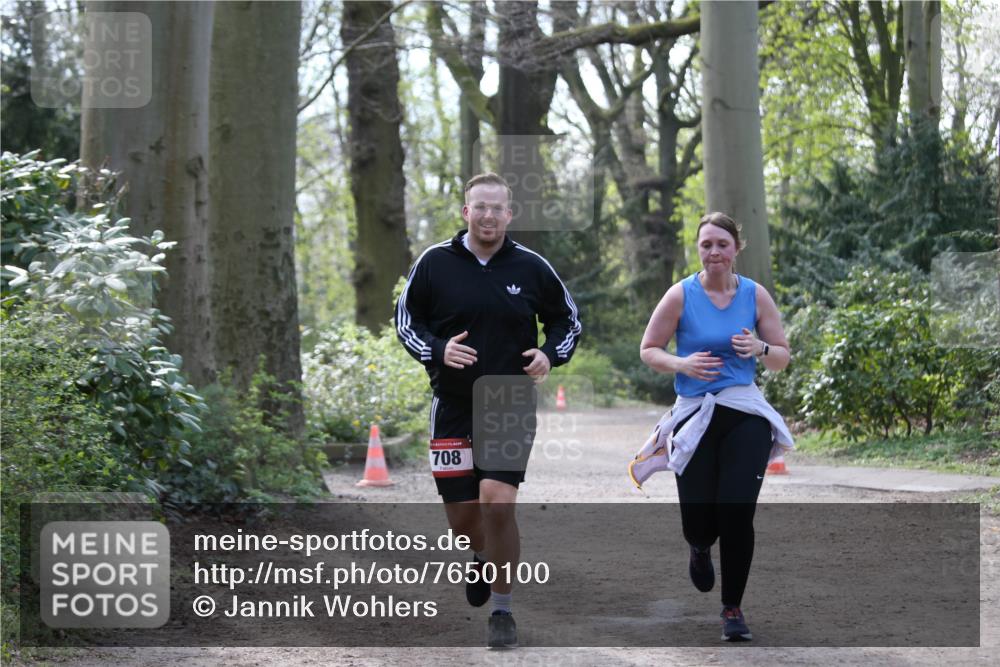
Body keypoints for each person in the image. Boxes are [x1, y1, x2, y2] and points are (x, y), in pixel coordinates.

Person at [395, 172, 582, 649]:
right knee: (462, 519)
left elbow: (568, 321)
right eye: (480, 206)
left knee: (499, 502)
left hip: (508, 400)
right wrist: (437, 350)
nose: (488, 215)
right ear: (466, 212)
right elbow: (406, 319)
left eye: (497, 208)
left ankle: (502, 609)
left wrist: (549, 354)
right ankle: (479, 554)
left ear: (509, 214)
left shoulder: (531, 266)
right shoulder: (435, 262)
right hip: (452, 405)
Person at [636, 212, 794, 642]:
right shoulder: (680, 295)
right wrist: (681, 362)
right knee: (700, 521)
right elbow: (649, 349)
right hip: (694, 414)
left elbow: (782, 357)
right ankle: (700, 545)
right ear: (698, 249)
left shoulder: (756, 296)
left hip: (744, 413)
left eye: (722, 244)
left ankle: (732, 609)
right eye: (706, 244)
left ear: (736, 248)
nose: (714, 252)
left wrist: (761, 348)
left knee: (738, 512)